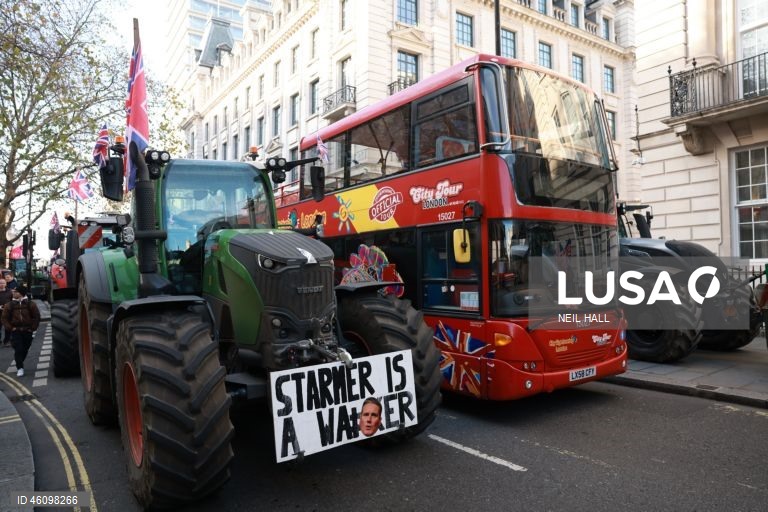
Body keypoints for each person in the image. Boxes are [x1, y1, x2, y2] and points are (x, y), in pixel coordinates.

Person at [1, 286, 40, 377]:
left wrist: (32, 328)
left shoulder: (31, 304)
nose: (13, 293)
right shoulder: (9, 305)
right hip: (15, 331)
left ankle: (19, 361)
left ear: (21, 293)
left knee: (25, 349)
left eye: (15, 292)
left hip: (27, 330)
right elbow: (4, 318)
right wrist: (11, 328)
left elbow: (36, 317)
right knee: (18, 349)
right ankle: (20, 368)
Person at [0, 280, 12, 347]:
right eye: (0, 283)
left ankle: (7, 341)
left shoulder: (10, 291)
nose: (1, 284)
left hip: (7, 312)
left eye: (3, 283)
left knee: (7, 327)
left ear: (6, 284)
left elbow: (12, 300)